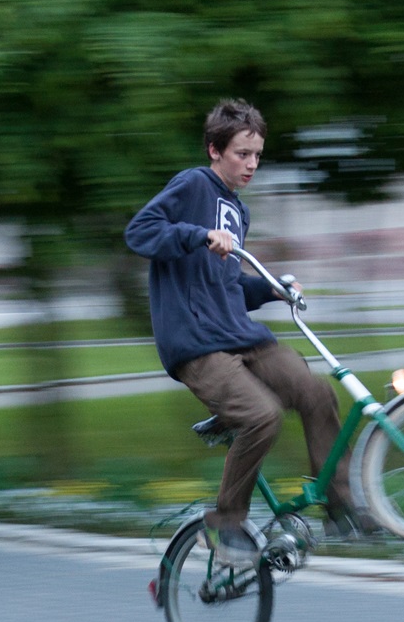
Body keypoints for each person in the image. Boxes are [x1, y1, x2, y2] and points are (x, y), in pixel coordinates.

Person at [125, 98, 364, 564]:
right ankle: (225, 524)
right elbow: (140, 232)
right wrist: (197, 235)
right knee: (262, 416)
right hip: (197, 344)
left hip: (239, 335)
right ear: (215, 150)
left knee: (317, 392)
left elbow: (228, 284)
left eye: (257, 155)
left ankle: (341, 506)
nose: (252, 164)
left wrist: (272, 289)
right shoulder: (194, 185)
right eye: (242, 154)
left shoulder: (239, 210)